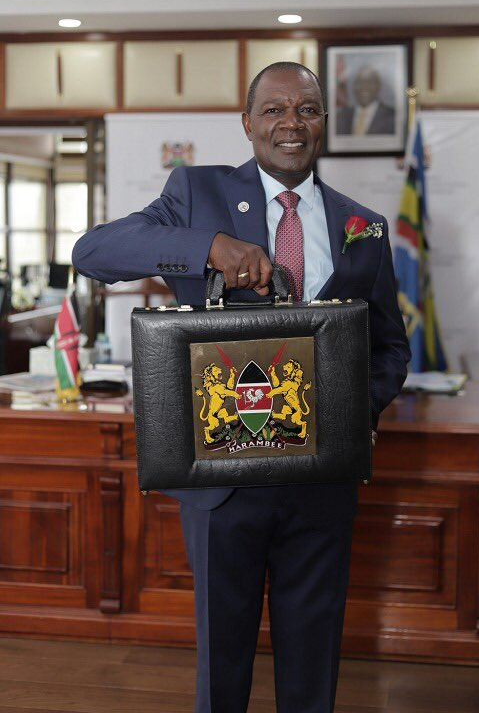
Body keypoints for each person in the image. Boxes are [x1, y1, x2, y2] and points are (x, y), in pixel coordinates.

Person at [72, 62, 410, 713]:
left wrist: (352, 410)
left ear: (322, 122)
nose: (291, 123)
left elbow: (389, 345)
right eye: (274, 109)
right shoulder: (196, 193)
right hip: (221, 481)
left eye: (306, 109)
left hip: (321, 482)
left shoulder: (363, 225)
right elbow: (93, 252)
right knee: (221, 659)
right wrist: (210, 248)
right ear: (248, 123)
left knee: (312, 658)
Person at [336, 65, 396, 136]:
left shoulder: (393, 117)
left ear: (378, 86)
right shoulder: (340, 117)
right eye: (359, 82)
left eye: (370, 82)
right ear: (354, 86)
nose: (364, 86)